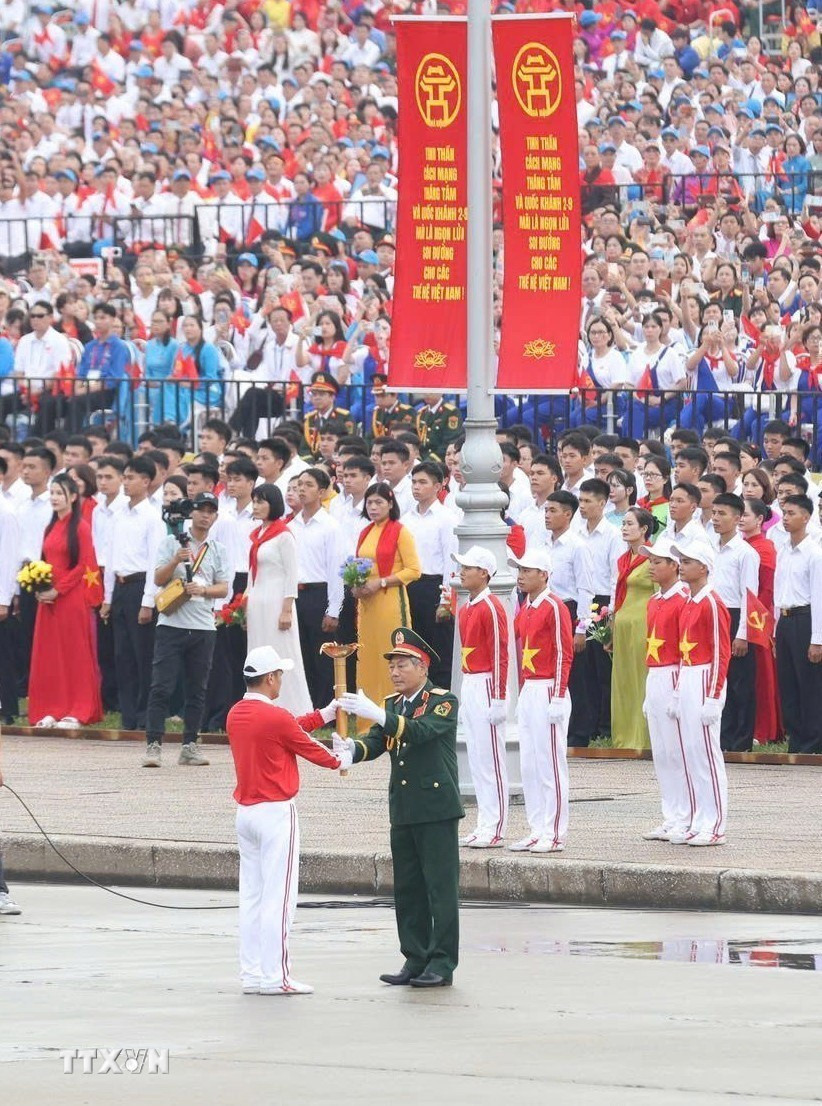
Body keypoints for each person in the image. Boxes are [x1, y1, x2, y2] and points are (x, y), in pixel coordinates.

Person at [337, 628, 462, 989]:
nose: (395, 672)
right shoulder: (392, 704)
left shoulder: (442, 701)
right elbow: (379, 742)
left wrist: (378, 714)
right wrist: (351, 750)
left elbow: (420, 733)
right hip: (404, 806)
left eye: (403, 664)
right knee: (408, 889)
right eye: (392, 665)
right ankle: (415, 957)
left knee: (440, 889)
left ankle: (442, 963)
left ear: (422, 667)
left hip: (436, 807)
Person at [227, 645, 347, 996]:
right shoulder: (274, 717)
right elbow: (311, 749)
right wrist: (343, 756)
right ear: (268, 678)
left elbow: (289, 730)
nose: (281, 680)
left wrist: (323, 714)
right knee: (279, 899)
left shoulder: (236, 713)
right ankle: (276, 977)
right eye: (279, 674)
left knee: (251, 897)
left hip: (246, 813)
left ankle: (252, 974)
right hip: (276, 812)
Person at [142, 492, 230, 768]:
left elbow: (224, 587)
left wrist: (203, 589)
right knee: (161, 686)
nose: (205, 515)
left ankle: (190, 744)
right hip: (171, 624)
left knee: (197, 688)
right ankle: (153, 745)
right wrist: (176, 561)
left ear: (215, 516)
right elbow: (157, 578)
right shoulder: (172, 542)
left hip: (203, 626)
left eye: (210, 511)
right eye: (201, 510)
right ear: (192, 513)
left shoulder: (218, 549)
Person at [509, 548, 574, 853]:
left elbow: (564, 652)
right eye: (519, 570)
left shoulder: (555, 606)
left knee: (550, 763)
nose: (521, 576)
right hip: (530, 688)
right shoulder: (525, 607)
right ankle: (537, 828)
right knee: (530, 764)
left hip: (549, 687)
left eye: (527, 570)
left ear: (544, 574)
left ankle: (555, 831)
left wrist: (559, 696)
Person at [27, 473, 103, 728]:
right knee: (50, 655)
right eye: (52, 493)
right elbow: (46, 561)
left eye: (60, 493)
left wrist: (58, 590)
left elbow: (82, 565)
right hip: (47, 601)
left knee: (74, 653)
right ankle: (51, 708)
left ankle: (78, 709)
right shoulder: (50, 526)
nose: (55, 498)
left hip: (70, 599)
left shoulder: (80, 527)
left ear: (72, 496)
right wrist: (39, 585)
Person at [669, 537, 731, 846]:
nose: (682, 565)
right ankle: (697, 819)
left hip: (706, 675)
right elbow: (682, 650)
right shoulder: (688, 602)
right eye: (682, 560)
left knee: (707, 753)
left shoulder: (711, 601)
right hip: (689, 675)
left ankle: (715, 823)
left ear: (704, 567)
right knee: (690, 752)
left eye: (689, 561)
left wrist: (714, 696)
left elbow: (722, 651)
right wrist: (679, 690)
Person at [101, 456, 167, 731]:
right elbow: (111, 556)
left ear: (146, 481)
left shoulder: (153, 518)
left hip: (141, 586)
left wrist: (148, 601)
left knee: (143, 656)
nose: (126, 483)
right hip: (120, 586)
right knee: (122, 655)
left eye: (130, 478)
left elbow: (155, 562)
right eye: (124, 477)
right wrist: (107, 597)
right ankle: (128, 716)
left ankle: (144, 715)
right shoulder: (118, 516)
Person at [453, 545, 509, 849]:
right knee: (476, 756)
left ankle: (495, 825)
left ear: (484, 573)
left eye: (468, 567)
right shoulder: (467, 608)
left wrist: (499, 697)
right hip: (472, 682)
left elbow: (501, 652)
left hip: (488, 682)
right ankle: (483, 822)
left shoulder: (492, 606)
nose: (462, 572)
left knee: (492, 759)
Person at [353, 482, 421, 713]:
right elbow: (359, 566)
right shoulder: (365, 532)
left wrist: (381, 582)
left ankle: (393, 712)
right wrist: (356, 585)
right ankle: (368, 717)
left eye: (379, 502)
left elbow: (413, 570)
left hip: (389, 599)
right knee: (368, 656)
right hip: (367, 603)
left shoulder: (400, 531)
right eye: (369, 502)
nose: (373, 507)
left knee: (392, 653)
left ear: (390, 504)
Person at [245, 482, 312, 716]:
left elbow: (292, 574)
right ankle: (263, 706)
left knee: (282, 654)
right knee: (258, 651)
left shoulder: (283, 535)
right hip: (258, 602)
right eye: (253, 501)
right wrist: (245, 602)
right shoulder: (256, 535)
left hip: (276, 602)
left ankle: (293, 709)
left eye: (260, 501)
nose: (255, 506)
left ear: (272, 504)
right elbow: (252, 574)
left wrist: (286, 609)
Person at [640, 537, 690, 842]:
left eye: (657, 561)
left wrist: (678, 691)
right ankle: (671, 815)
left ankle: (686, 815)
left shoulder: (683, 598)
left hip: (675, 673)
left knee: (676, 751)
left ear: (674, 565)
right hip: (655, 675)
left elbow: (687, 648)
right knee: (660, 752)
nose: (651, 566)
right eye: (650, 561)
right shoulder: (654, 601)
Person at [287, 468, 343, 708]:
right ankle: (305, 706)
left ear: (321, 492)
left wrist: (334, 609)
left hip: (319, 593)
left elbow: (336, 570)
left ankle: (326, 708)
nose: (301, 489)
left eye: (308, 485)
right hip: (295, 594)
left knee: (321, 655)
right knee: (300, 654)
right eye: (299, 484)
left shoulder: (330, 526)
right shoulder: (292, 525)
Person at [710, 493, 760, 753]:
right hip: (714, 616)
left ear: (738, 518)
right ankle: (721, 735)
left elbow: (749, 596)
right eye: (714, 513)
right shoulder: (710, 547)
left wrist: (742, 634)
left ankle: (740, 740)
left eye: (723, 514)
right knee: (717, 680)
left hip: (736, 616)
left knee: (739, 681)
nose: (716, 519)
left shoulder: (745, 553)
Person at [402, 461, 458, 689]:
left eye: (423, 482)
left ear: (438, 486)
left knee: (438, 649)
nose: (416, 487)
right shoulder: (406, 519)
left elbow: (450, 561)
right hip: (409, 585)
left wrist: (446, 600)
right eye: (414, 482)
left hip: (434, 586)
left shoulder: (446, 518)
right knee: (412, 646)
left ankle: (440, 697)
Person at [774, 495, 822, 754]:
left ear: (806, 517)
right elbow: (777, 591)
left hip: (806, 619)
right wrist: (774, 628)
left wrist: (817, 639)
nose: (786, 518)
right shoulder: (784, 551)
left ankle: (813, 740)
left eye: (792, 513)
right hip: (785, 619)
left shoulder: (814, 554)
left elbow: (818, 596)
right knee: (788, 681)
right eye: (784, 513)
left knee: (809, 683)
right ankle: (796, 737)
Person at [611, 507, 658, 750]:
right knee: (623, 679)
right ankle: (624, 736)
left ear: (643, 529)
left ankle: (642, 737)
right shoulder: (623, 559)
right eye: (623, 524)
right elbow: (617, 593)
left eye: (630, 524)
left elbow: (658, 594)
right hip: (622, 622)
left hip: (642, 623)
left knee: (641, 678)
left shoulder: (652, 558)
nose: (625, 528)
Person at [739, 498, 782, 744]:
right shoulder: (739, 545)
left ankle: (764, 729)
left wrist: (756, 619)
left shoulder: (765, 548)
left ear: (759, 519)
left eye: (746, 514)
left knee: (761, 675)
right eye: (740, 515)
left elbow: (766, 590)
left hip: (759, 617)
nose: (742, 518)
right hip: (743, 614)